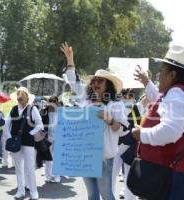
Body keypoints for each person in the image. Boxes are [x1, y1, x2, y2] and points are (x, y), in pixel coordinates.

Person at [132, 45, 184, 200]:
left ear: (173, 74)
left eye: (162, 70)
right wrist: (147, 82)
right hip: (182, 171)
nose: (158, 74)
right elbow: (161, 100)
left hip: (180, 172)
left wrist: (141, 134)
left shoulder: (178, 92)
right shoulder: (182, 92)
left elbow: (170, 131)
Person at [61, 42, 129, 200]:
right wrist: (70, 60)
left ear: (108, 85)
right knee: (92, 195)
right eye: (94, 81)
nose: (96, 83)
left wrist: (109, 120)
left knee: (106, 194)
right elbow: (73, 81)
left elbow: (123, 129)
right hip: (86, 154)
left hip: (104, 156)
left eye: (100, 81)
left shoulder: (115, 104)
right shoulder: (86, 100)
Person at [6, 87, 44, 200]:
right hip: (15, 143)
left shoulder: (32, 109)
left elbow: (40, 125)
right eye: (19, 95)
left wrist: (31, 133)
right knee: (18, 168)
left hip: (28, 143)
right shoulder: (13, 109)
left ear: (27, 97)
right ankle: (20, 191)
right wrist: (9, 136)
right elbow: (7, 124)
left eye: (22, 95)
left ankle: (34, 192)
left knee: (30, 168)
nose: (20, 97)